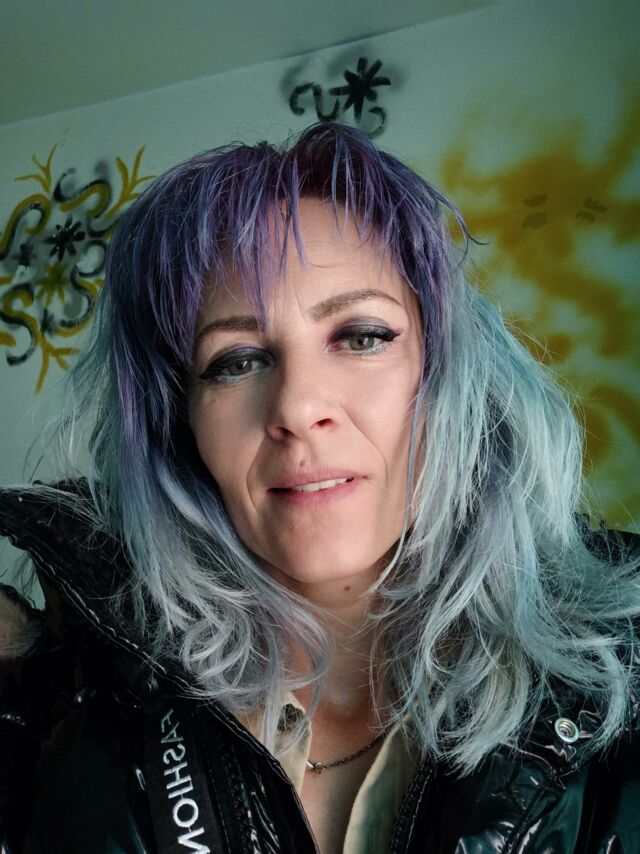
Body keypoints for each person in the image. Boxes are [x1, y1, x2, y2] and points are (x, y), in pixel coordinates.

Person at [0, 122, 638, 854]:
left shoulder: (623, 678)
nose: (299, 408)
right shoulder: (70, 720)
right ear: (184, 426)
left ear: (447, 375)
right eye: (235, 361)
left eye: (362, 335)